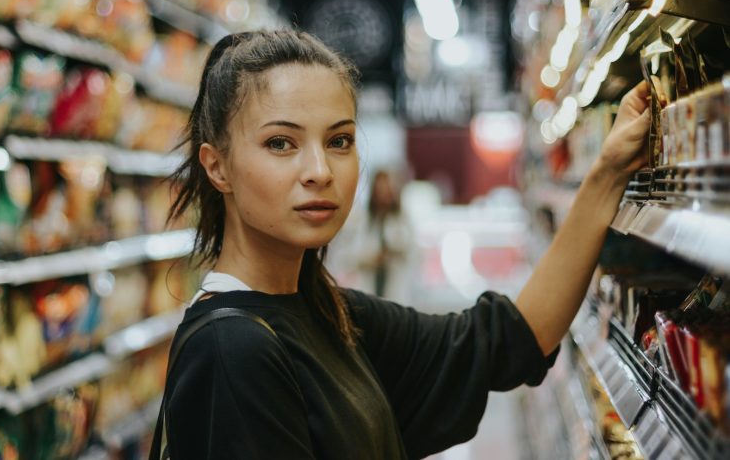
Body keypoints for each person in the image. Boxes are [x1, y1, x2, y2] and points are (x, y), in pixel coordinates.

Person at [159, 30, 650, 459]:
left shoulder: (328, 313)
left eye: (340, 141)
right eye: (281, 143)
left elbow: (508, 340)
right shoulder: (232, 351)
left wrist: (608, 173)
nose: (320, 171)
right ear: (216, 165)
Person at [328, 169, 417, 301]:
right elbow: (344, 257)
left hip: (395, 286)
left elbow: (413, 252)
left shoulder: (402, 220)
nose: (384, 195)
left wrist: (392, 253)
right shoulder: (362, 220)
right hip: (368, 286)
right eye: (380, 190)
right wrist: (369, 258)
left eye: (387, 189)